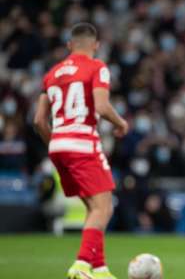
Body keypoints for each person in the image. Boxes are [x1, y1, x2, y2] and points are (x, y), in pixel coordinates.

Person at [33, 22, 129, 279]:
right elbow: (101, 105)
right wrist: (121, 124)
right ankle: (81, 264)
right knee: (104, 207)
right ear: (96, 45)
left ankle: (100, 269)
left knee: (92, 207)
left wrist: (57, 143)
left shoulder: (52, 73)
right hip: (83, 142)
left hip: (58, 145)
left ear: (69, 45)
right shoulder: (97, 67)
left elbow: (39, 121)